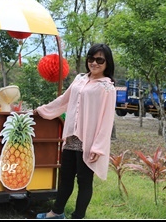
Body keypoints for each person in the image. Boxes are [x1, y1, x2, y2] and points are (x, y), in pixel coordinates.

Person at [34, 44, 116, 219]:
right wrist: (42, 110)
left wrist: (98, 147)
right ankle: (56, 212)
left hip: (89, 141)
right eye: (91, 59)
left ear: (107, 62)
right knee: (65, 178)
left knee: (84, 182)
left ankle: (78, 216)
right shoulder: (79, 79)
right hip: (71, 137)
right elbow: (64, 100)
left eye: (99, 60)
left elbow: (107, 119)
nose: (94, 63)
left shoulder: (108, 88)